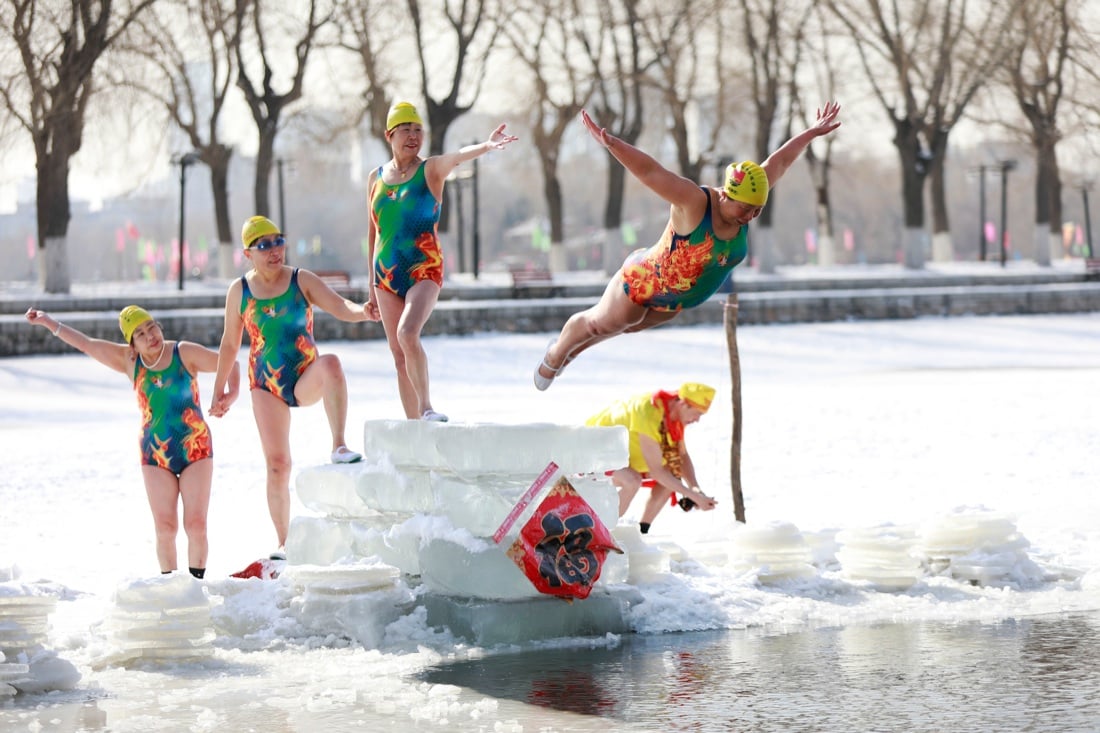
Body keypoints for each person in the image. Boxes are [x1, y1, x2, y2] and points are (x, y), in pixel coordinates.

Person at [535, 102, 842, 389]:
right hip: (642, 281)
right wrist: (612, 144)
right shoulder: (695, 203)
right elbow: (651, 172)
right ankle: (557, 352)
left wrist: (811, 133)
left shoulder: (752, 193)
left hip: (672, 302)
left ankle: (571, 352)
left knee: (625, 327)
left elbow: (781, 161)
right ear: (726, 194)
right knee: (604, 323)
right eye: (745, 209)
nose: (750, 216)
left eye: (757, 211)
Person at [25, 305, 238, 579]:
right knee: (165, 527)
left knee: (195, 525)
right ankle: (170, 588)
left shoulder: (183, 353)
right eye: (140, 334)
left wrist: (229, 395)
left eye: (151, 327)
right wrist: (48, 322)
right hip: (154, 454)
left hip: (195, 448)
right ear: (132, 345)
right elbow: (87, 344)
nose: (150, 336)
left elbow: (230, 363)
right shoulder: (130, 361)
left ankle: (195, 587)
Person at [209, 215, 373, 560]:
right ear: (248, 254)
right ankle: (283, 543)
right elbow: (229, 344)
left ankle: (339, 444)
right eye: (264, 245)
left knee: (332, 364)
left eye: (278, 241)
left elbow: (339, 306)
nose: (274, 250)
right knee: (278, 464)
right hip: (265, 384)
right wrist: (219, 390)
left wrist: (363, 312)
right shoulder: (239, 291)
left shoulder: (301, 280)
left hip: (303, 376)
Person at [366, 100, 518, 421]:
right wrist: (371, 285)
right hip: (385, 276)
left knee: (408, 334)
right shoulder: (375, 179)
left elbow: (457, 156)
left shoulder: (430, 170)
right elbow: (373, 233)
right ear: (389, 135)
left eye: (418, 130)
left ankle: (426, 408)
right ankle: (414, 428)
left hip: (424, 269)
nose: (413, 136)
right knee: (398, 355)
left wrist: (486, 146)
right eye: (405, 130)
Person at [587, 382, 718, 534]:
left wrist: (695, 488)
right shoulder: (648, 411)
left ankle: (643, 530)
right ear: (683, 404)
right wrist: (693, 496)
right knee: (631, 481)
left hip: (622, 457)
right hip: (594, 450)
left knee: (671, 475)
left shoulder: (675, 417)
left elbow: (681, 455)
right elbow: (657, 472)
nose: (697, 420)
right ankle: (599, 532)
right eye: (698, 413)